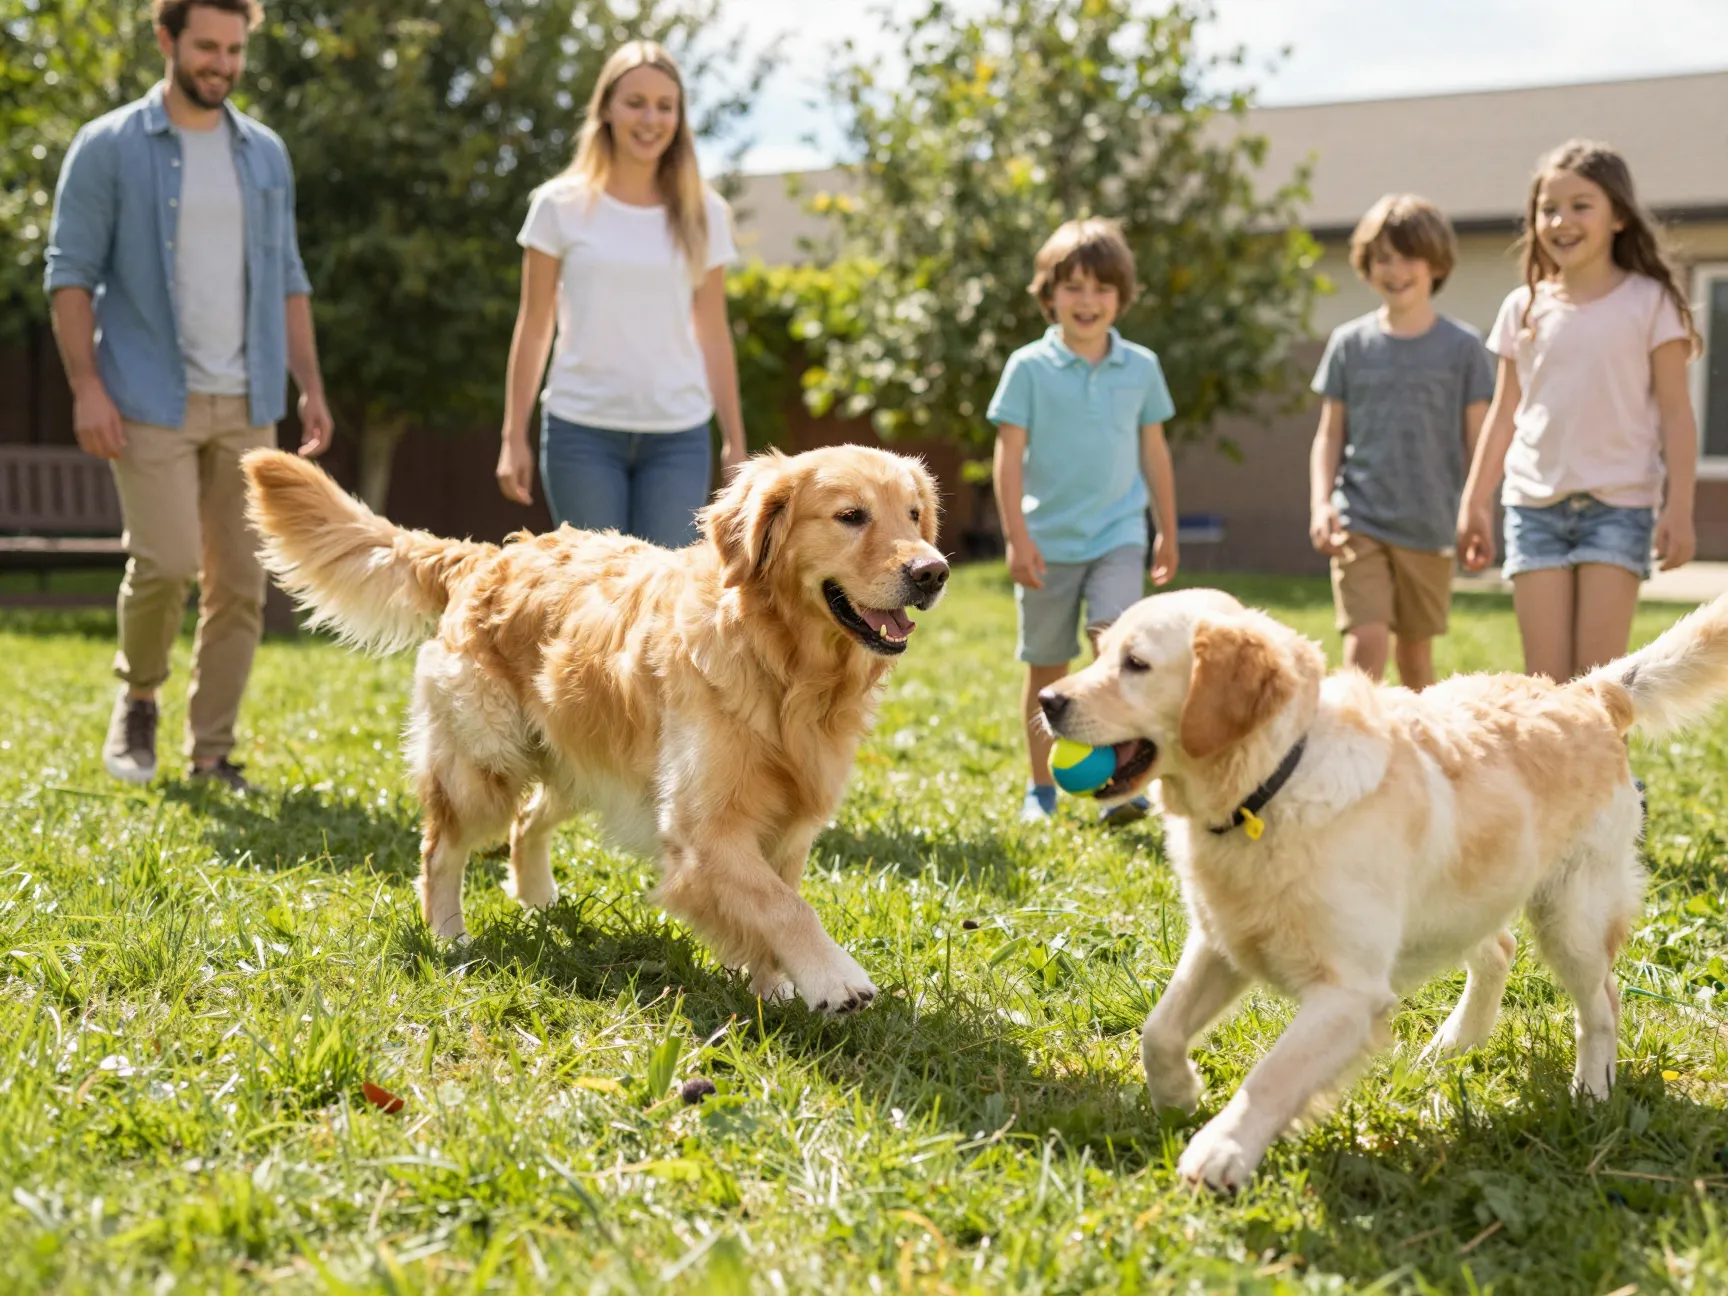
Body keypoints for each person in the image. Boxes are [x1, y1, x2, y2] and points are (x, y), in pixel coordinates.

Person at [44, 0, 333, 793]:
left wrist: (308, 384)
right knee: (167, 563)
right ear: (167, 39)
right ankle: (139, 695)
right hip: (146, 395)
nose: (223, 63)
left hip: (247, 399)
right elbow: (70, 271)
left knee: (242, 583)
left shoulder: (265, 154)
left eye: (235, 49)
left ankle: (212, 751)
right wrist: (85, 387)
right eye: (207, 46)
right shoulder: (106, 147)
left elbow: (288, 277)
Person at [1457, 140, 1700, 684]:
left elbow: (1677, 414)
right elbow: (1503, 415)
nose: (1561, 220)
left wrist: (1679, 507)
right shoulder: (1523, 307)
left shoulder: (1650, 302)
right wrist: (1474, 501)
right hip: (1532, 507)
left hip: (1618, 507)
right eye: (1548, 209)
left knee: (1599, 687)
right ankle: (1553, 774)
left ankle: (1610, 775)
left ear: (1618, 216)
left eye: (1580, 205)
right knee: (1547, 688)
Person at [495, 41, 746, 545]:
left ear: (679, 116)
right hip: (580, 432)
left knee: (665, 604)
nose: (650, 118)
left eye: (665, 105)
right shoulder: (557, 205)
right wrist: (512, 436)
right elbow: (535, 324)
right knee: (593, 600)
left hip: (679, 436)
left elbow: (713, 333)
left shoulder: (706, 214)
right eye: (635, 102)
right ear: (606, 108)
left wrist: (736, 441)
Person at [988, 217, 1180, 826]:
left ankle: (1119, 784)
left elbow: (1155, 451)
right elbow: (1008, 457)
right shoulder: (1028, 367)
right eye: (1073, 287)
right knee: (1047, 666)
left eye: (1101, 288)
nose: (1088, 300)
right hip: (1046, 544)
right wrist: (1017, 539)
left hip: (1119, 536)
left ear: (1121, 296)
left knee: (1114, 654)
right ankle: (1041, 789)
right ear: (1049, 295)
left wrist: (1165, 529)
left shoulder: (1141, 366)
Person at [1309, 194, 1496, 690]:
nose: (1395, 270)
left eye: (1408, 256)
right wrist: (1321, 503)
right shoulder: (1349, 344)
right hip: (1360, 520)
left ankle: (1419, 758)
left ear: (1435, 264)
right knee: (1365, 644)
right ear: (1366, 267)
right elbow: (1329, 435)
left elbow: (1480, 440)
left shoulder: (1464, 348)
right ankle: (1348, 749)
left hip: (1430, 525)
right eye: (1382, 258)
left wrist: (1478, 511)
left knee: (1415, 659)